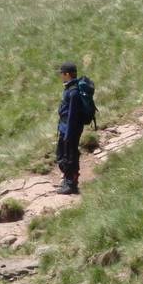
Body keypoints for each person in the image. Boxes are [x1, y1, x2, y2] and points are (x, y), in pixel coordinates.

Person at [56, 61, 85, 195]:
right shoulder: (69, 88)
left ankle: (71, 184)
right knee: (62, 155)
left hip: (70, 130)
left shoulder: (73, 92)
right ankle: (67, 180)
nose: (61, 76)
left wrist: (68, 134)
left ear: (67, 74)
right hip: (65, 128)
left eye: (62, 73)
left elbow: (73, 115)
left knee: (70, 156)